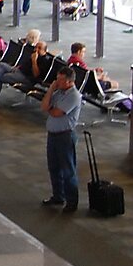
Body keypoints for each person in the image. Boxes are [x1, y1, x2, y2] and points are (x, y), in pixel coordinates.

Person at [41, 67, 82, 212]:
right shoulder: (58, 92)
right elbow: (44, 105)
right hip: (53, 135)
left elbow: (57, 113)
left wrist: (50, 110)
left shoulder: (74, 96)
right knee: (54, 167)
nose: (57, 82)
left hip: (65, 136)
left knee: (67, 170)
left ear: (69, 81)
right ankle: (58, 196)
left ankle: (72, 201)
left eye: (60, 80)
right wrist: (51, 90)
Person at [0, 40, 49, 107]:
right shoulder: (33, 55)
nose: (36, 49)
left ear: (45, 51)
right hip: (19, 71)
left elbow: (36, 75)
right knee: (1, 65)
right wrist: (18, 67)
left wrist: (34, 61)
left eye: (39, 48)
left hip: (26, 78)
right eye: (36, 47)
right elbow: (26, 64)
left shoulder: (44, 61)